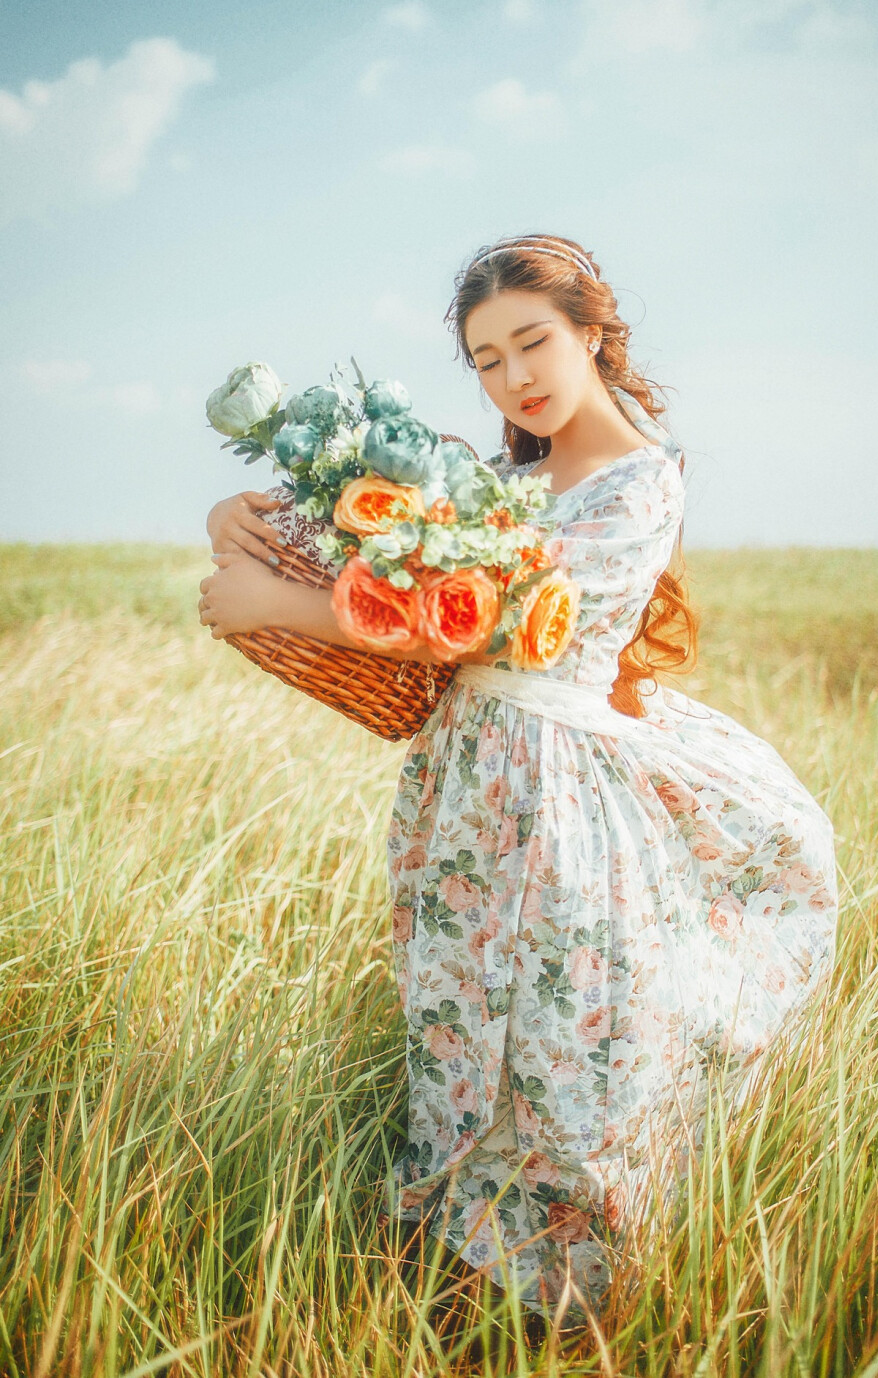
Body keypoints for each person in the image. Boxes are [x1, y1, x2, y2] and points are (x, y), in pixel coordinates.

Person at [198, 234, 838, 1328]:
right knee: (457, 1023)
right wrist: (235, 523)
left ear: (592, 331)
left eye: (531, 342)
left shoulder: (641, 480)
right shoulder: (500, 483)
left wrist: (283, 609)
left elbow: (492, 631)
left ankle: (574, 1304)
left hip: (561, 796)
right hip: (466, 792)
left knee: (566, 1036)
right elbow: (384, 560)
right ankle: (450, 1283)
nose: (515, 377)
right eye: (487, 360)